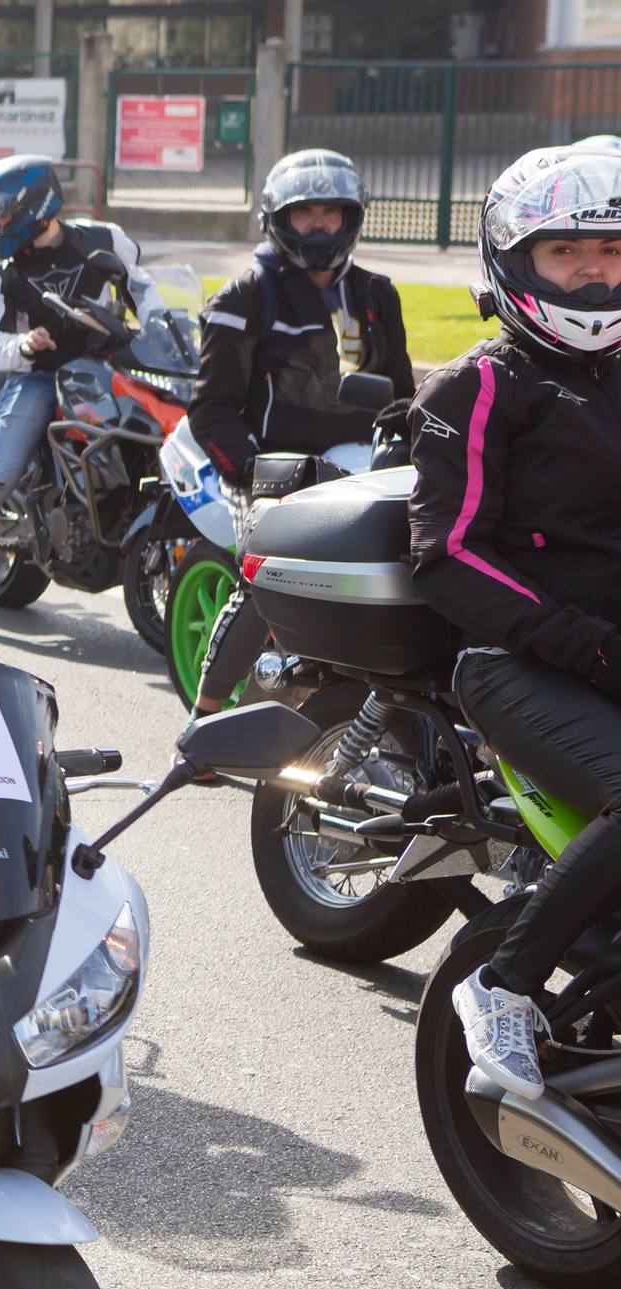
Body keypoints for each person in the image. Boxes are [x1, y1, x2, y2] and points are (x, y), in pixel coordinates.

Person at [406, 147, 621, 1100]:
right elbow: (445, 553)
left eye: (610, 251)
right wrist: (592, 643)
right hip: (518, 660)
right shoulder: (478, 387)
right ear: (513, 263)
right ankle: (503, 982)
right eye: (564, 251)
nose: (591, 272)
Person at [188, 149, 413, 715]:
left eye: (330, 213)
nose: (318, 224)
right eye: (304, 212)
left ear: (351, 218)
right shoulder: (245, 295)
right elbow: (211, 409)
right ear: (278, 219)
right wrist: (255, 474)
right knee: (260, 580)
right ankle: (206, 717)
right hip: (273, 471)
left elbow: (405, 396)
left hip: (366, 471)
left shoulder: (377, 294)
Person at [0, 153, 167, 534]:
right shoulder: (2, 271)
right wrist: (23, 344)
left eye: (0, 216)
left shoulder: (104, 241)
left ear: (32, 208)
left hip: (106, 368)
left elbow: (143, 290)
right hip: (38, 377)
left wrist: (160, 327)